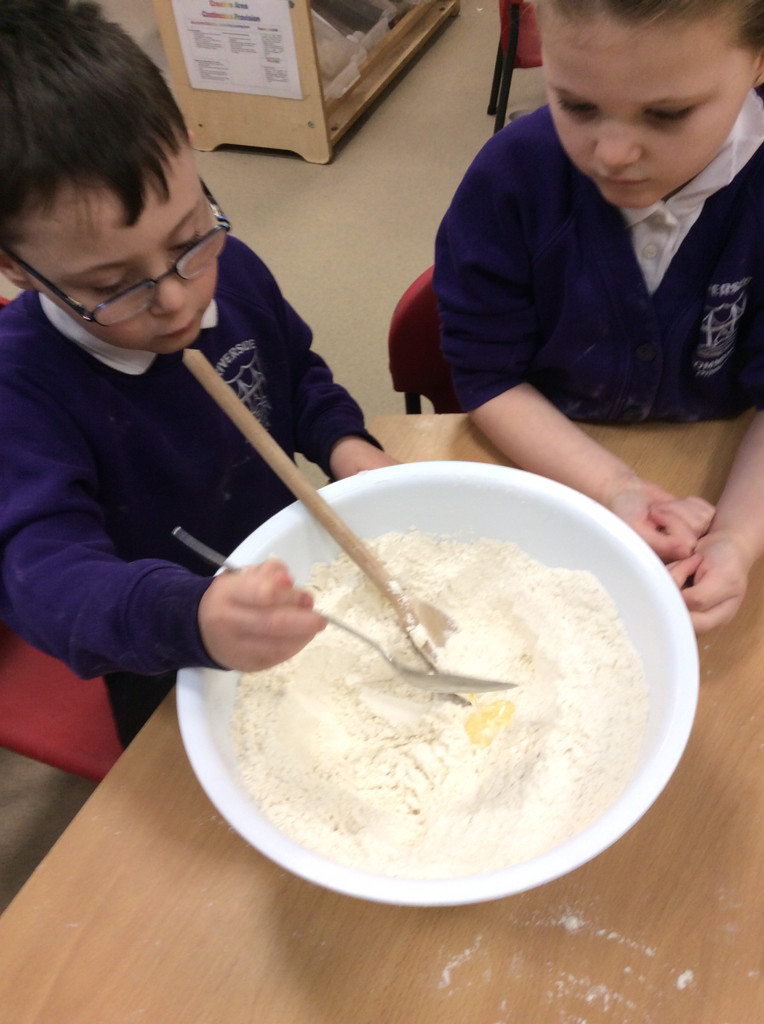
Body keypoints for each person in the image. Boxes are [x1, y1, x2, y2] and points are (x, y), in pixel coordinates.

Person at [0, 0, 396, 746]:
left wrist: (345, 444)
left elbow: (297, 377)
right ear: (17, 268)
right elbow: (43, 579)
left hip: (295, 577)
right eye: (113, 284)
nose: (177, 298)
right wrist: (192, 616)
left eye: (188, 238)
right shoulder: (19, 389)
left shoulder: (230, 269)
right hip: (164, 649)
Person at [434, 0, 764, 634]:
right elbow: (487, 375)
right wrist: (613, 487)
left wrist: (737, 539)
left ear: (757, 60)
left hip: (724, 465)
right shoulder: (511, 179)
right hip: (550, 461)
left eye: (667, 114)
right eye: (577, 105)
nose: (611, 153)